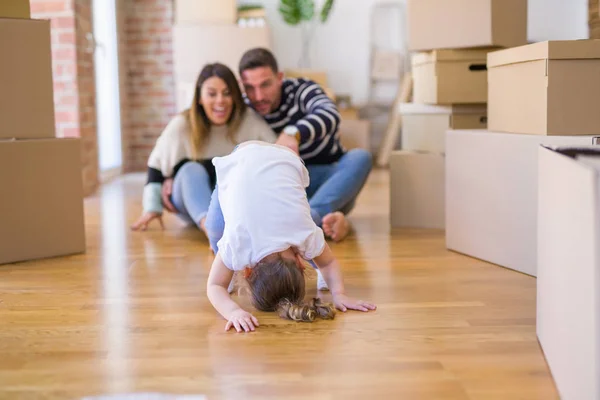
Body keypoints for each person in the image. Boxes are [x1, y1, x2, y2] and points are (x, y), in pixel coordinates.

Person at [205, 140, 377, 333]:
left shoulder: (304, 235)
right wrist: (233, 311)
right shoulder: (237, 244)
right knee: (214, 228)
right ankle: (224, 268)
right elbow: (214, 286)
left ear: (300, 262)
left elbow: (328, 263)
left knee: (215, 227)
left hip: (287, 159)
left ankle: (224, 268)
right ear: (247, 272)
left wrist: (340, 295)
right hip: (242, 158)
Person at [237, 48, 373, 243]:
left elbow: (330, 115)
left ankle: (301, 225)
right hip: (284, 188)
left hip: (327, 180)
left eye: (265, 84)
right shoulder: (244, 107)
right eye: (249, 87)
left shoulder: (302, 89)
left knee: (360, 158)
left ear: (280, 78)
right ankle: (324, 223)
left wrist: (293, 133)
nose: (258, 96)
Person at [131, 63, 276, 233]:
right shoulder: (182, 124)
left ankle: (222, 226)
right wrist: (152, 207)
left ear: (235, 97)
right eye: (212, 94)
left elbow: (274, 155)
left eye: (227, 93)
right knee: (190, 169)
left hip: (229, 204)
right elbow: (156, 165)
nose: (220, 100)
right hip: (188, 200)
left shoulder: (248, 121)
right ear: (200, 98)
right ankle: (212, 229)